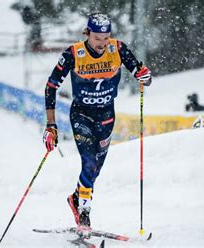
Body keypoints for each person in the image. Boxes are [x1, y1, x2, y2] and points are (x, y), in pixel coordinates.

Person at [42, 13, 152, 238]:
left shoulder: (118, 49)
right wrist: (51, 125)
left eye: (105, 38)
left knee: (95, 170)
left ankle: (76, 198)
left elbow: (143, 76)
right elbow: (51, 86)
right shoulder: (74, 54)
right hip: (81, 114)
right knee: (89, 162)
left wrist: (145, 76)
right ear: (87, 34)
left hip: (106, 116)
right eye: (96, 38)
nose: (101, 43)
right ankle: (84, 214)